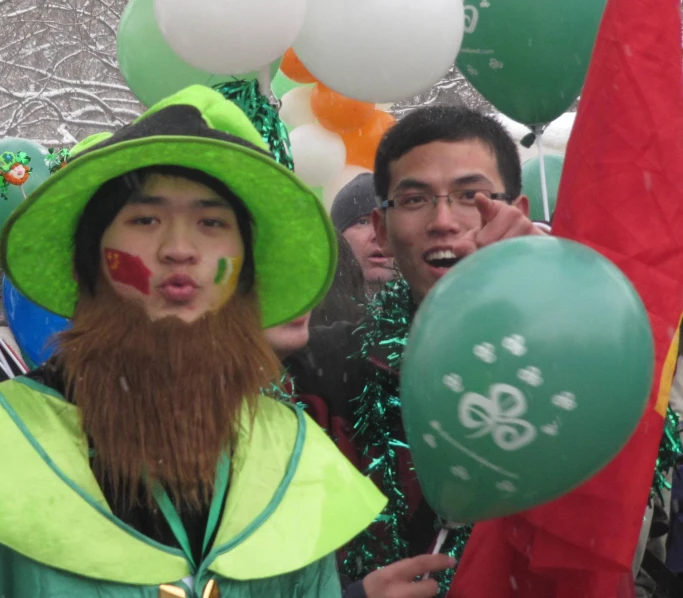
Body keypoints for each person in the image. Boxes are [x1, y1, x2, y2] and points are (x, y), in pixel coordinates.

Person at [0, 85, 386, 598]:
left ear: (248, 271)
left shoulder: (288, 456)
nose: (179, 249)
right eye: (144, 219)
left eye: (211, 222)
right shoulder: (13, 443)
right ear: (89, 259)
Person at [287, 104, 544, 597]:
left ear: (519, 213)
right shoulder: (318, 370)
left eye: (471, 196)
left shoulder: (570, 357)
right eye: (414, 198)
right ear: (382, 229)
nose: (443, 220)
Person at [330, 173, 396, 295]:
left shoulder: (434, 308)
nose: (378, 235)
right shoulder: (312, 310)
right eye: (363, 222)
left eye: (388, 221)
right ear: (338, 239)